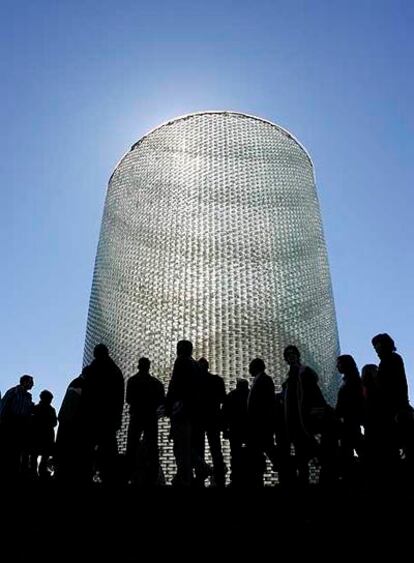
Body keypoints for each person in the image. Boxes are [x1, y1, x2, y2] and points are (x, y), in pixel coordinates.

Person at [126, 357, 165, 485]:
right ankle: (152, 476)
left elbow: (129, 399)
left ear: (139, 366)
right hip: (150, 417)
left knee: (132, 445)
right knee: (152, 447)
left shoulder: (132, 381)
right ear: (149, 367)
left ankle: (131, 474)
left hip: (136, 416)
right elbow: (161, 401)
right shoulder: (156, 383)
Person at [0, 375, 34, 480]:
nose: (32, 384)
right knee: (9, 450)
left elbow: (29, 411)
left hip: (22, 426)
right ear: (24, 382)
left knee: (18, 451)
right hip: (11, 424)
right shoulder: (13, 392)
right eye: (30, 382)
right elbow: (3, 407)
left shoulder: (28, 397)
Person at [31, 390, 57, 479]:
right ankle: (36, 471)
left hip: (44, 437)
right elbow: (54, 422)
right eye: (49, 399)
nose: (50, 401)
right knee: (36, 455)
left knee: (41, 456)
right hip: (41, 436)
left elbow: (54, 422)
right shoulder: (38, 408)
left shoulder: (39, 408)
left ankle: (38, 471)